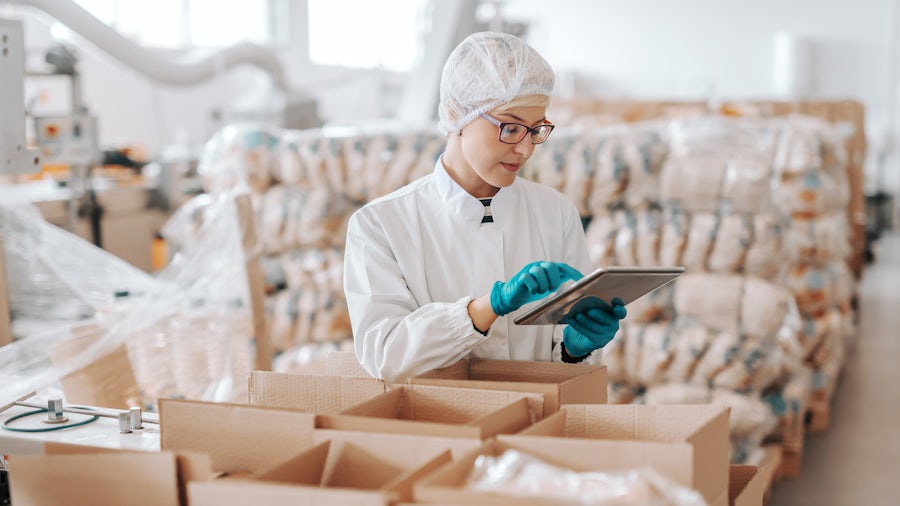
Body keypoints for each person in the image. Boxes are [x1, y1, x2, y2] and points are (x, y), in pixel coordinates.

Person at [344, 31, 626, 383]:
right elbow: (384, 355)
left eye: (536, 130)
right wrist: (485, 309)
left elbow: (562, 360)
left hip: (538, 426)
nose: (525, 150)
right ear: (456, 113)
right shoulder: (381, 224)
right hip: (438, 428)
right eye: (510, 128)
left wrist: (575, 348)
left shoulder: (555, 212)